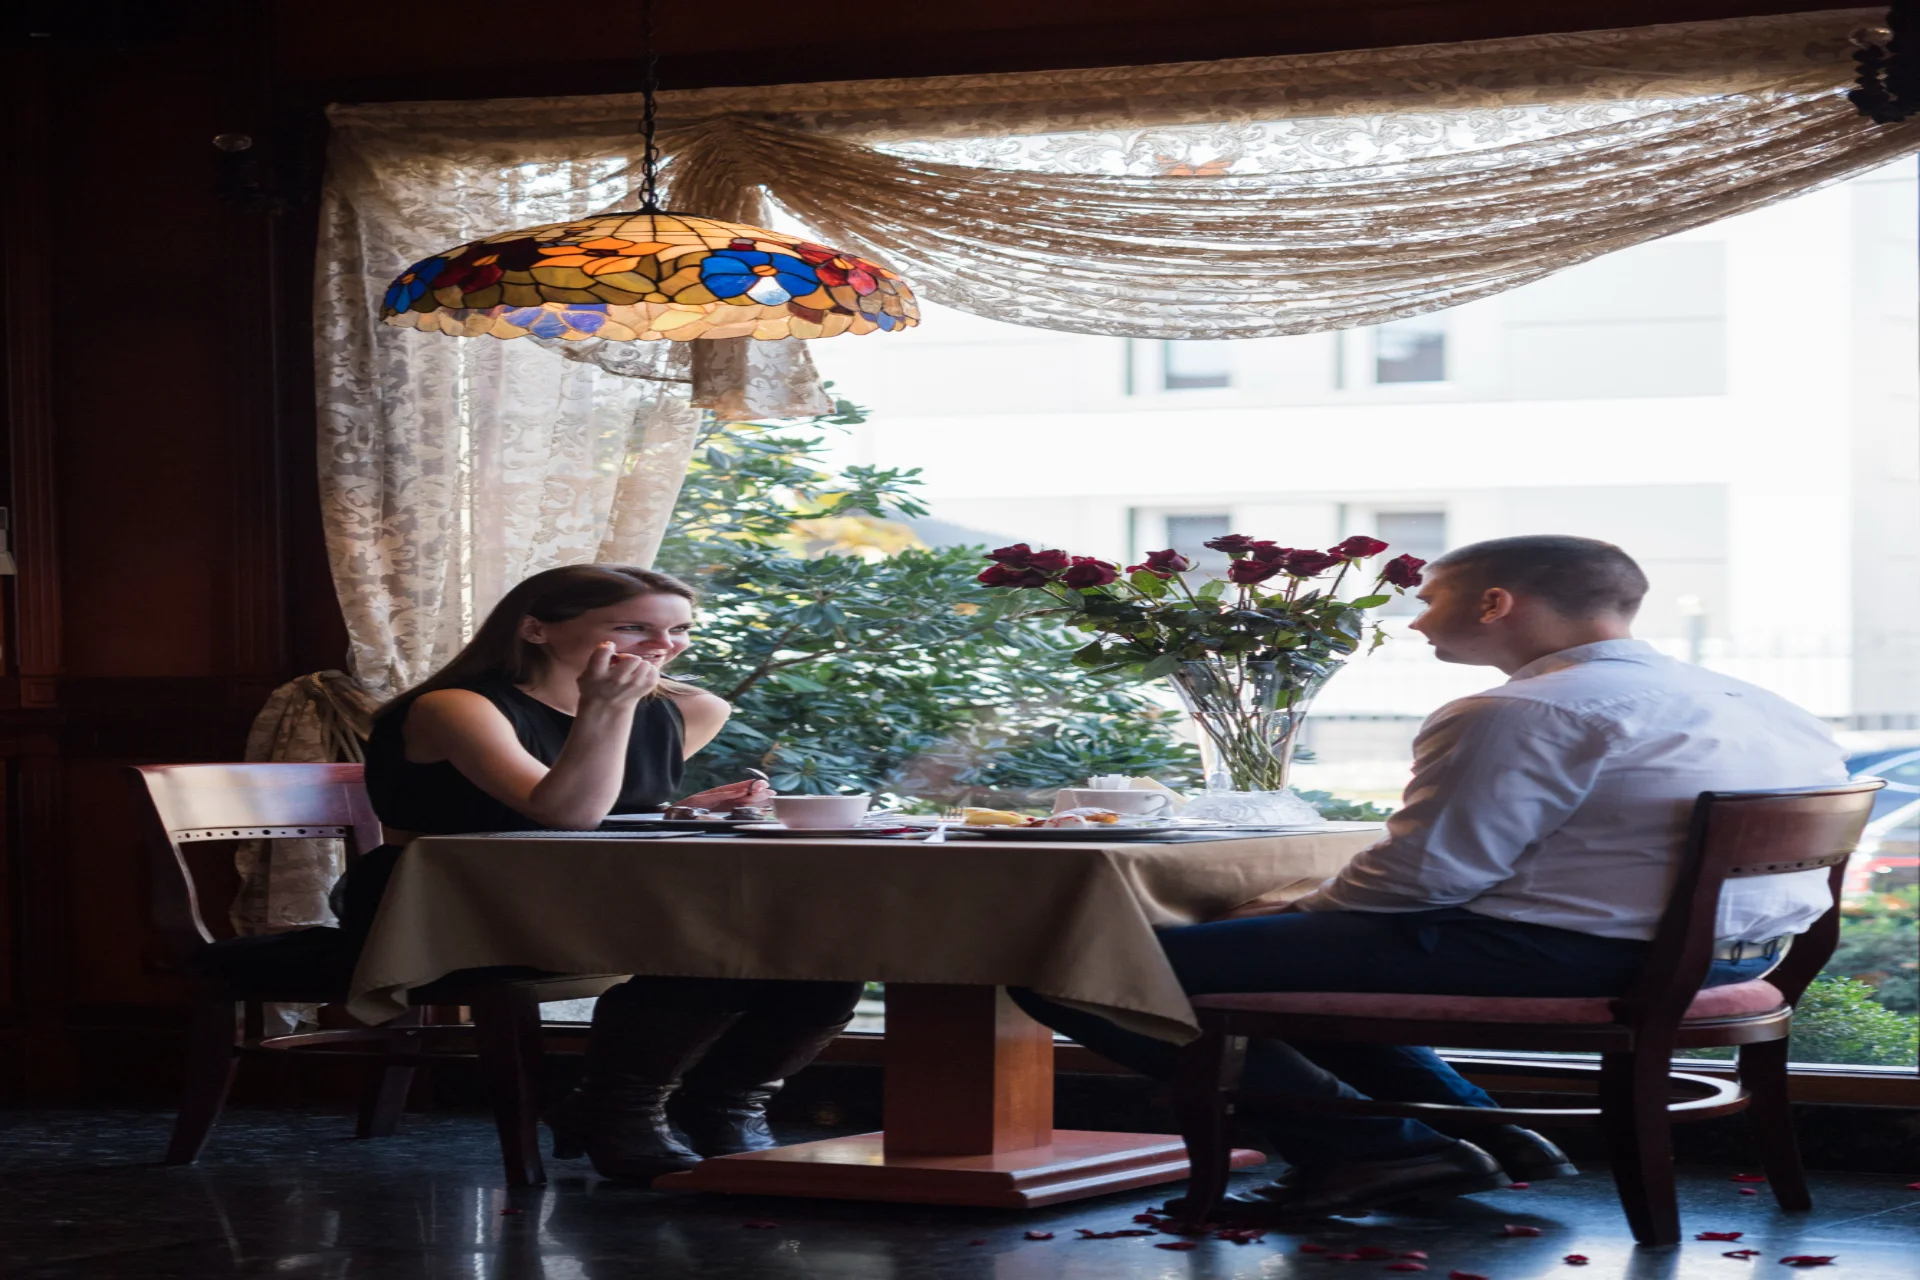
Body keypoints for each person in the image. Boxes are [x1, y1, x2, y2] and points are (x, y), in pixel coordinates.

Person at [1012, 534, 1848, 1219]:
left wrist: (1301, 906)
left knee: (1084, 973)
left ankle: (1375, 1153)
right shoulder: (1757, 702)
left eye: (1430, 599)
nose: (1416, 622)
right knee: (1291, 954)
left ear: (1495, 604)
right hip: (1737, 957)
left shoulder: (1526, 711)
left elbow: (1422, 881)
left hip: (1580, 956)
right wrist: (1308, 920)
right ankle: (1485, 1131)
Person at [352, 564, 864, 1181]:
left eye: (678, 630)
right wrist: (606, 706)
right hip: (443, 906)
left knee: (829, 950)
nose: (663, 646)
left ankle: (720, 1105)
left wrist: (677, 811)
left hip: (581, 895)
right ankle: (621, 1111)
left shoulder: (691, 710)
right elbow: (564, 813)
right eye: (633, 627)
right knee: (713, 943)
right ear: (536, 629)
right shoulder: (456, 707)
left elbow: (604, 812)